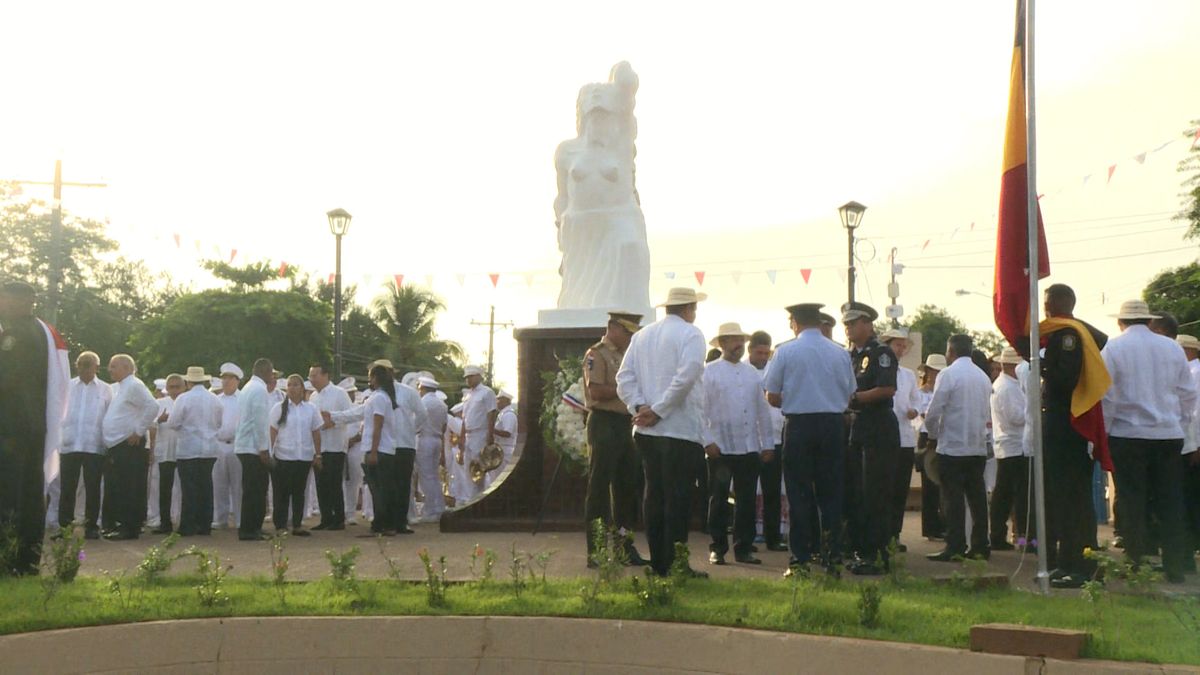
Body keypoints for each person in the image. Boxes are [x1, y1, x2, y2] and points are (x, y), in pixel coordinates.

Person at [616, 287, 709, 578]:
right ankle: (676, 562)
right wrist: (659, 409)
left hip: (646, 431)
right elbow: (687, 376)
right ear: (689, 309)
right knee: (678, 497)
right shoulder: (691, 334)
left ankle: (659, 562)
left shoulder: (642, 336)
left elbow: (624, 378)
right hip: (678, 428)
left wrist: (640, 406)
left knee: (654, 495)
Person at [1101, 300, 1196, 583]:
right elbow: (1188, 394)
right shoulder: (1172, 348)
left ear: (1122, 322)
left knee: (1132, 500)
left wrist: (1103, 434)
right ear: (1149, 321)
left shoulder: (1114, 348)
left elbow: (1108, 397)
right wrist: (1179, 421)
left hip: (1128, 435)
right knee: (1170, 499)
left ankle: (1135, 562)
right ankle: (1175, 565)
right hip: (1167, 434)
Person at [1027, 284, 1109, 589]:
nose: (1045, 308)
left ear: (1062, 303)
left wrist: (1041, 363)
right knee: (1063, 499)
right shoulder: (1066, 333)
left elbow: (1065, 380)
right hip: (1062, 425)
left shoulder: (1068, 336)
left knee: (1072, 499)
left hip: (1067, 426)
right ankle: (1068, 562)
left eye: (1048, 302)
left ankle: (1081, 566)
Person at [765, 303, 857, 573]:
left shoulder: (785, 351)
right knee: (831, 493)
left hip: (799, 425)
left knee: (799, 492)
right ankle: (831, 555)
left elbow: (771, 394)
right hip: (832, 425)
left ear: (794, 322)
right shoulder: (839, 353)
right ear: (818, 322)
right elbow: (851, 392)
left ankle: (800, 557)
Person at [0, 281, 69, 573]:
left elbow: (7, 378)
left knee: (8, 494)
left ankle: (7, 557)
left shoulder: (15, 333)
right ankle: (28, 560)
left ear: (18, 301)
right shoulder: (42, 331)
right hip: (35, 423)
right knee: (31, 493)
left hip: (11, 425)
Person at [702, 322, 775, 566]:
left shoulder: (752, 373)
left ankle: (744, 547)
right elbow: (699, 411)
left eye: (740, 341)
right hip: (720, 446)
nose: (738, 346)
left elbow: (762, 411)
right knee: (719, 498)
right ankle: (718, 547)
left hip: (748, 445)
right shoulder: (709, 372)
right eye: (732, 340)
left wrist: (767, 443)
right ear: (721, 344)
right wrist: (707, 441)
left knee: (746, 500)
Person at [583, 311, 646, 565]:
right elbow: (596, 391)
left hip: (625, 424)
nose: (631, 337)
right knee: (599, 489)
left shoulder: (627, 356)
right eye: (627, 331)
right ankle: (596, 551)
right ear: (612, 328)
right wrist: (628, 390)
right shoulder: (596, 354)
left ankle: (624, 548)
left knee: (627, 489)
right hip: (604, 423)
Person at [842, 302, 900, 575]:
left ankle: (876, 554)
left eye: (853, 323)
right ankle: (860, 548)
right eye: (847, 324)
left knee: (875, 492)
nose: (849, 328)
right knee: (856, 492)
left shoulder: (881, 353)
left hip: (878, 427)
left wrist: (853, 399)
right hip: (857, 428)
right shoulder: (851, 355)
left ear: (867, 323)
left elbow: (887, 389)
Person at [925, 335, 994, 562]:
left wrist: (933, 436)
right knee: (977, 498)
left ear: (950, 351)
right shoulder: (982, 376)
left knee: (952, 500)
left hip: (952, 446)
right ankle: (981, 545)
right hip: (976, 446)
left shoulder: (948, 374)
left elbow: (934, 411)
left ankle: (955, 545)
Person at [100, 354, 160, 541]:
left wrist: (138, 430)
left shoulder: (134, 385)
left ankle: (130, 527)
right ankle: (121, 524)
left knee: (129, 487)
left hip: (128, 444)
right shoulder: (121, 387)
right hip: (118, 445)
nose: (110, 370)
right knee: (120, 486)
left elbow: (152, 405)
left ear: (126, 368)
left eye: (113, 366)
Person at [57, 351, 112, 540]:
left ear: (97, 367)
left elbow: (110, 417)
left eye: (89, 365)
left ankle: (91, 527)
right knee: (67, 488)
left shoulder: (106, 389)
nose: (85, 369)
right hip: (69, 443)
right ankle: (64, 527)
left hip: (94, 444)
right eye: (82, 364)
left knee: (93, 487)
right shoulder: (67, 386)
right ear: (76, 366)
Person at [164, 367, 222, 536]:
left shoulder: (183, 399)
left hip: (188, 448)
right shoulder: (215, 399)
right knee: (206, 486)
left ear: (188, 382)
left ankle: (188, 525)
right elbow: (219, 422)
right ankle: (204, 524)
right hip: (209, 448)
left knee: (189, 488)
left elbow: (173, 423)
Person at [268, 374, 323, 536]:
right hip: (283, 456)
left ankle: (297, 524)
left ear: (302, 388)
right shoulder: (279, 408)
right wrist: (270, 454)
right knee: (281, 492)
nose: (292, 388)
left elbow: (316, 432)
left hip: (303, 456)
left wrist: (318, 454)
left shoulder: (310, 409)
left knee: (299, 492)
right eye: (289, 385)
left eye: (296, 385)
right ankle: (281, 525)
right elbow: (272, 432)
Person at [748, 330, 788, 553]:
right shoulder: (743, 371)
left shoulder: (775, 371)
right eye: (759, 352)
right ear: (750, 350)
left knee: (772, 491)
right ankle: (747, 535)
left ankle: (773, 536)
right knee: (746, 492)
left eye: (766, 352)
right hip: (750, 440)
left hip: (774, 439)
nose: (763, 357)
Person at [989, 347, 1033, 552]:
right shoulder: (1006, 387)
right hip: (1012, 445)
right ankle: (1018, 537)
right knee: (1014, 494)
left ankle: (1005, 535)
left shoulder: (1011, 385)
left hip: (1013, 445)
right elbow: (1015, 418)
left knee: (1007, 493)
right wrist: (1033, 410)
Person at [881, 328, 920, 552]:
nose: (901, 349)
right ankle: (882, 534)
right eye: (897, 344)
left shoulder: (907, 374)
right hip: (886, 437)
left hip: (905, 437)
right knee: (884, 488)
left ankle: (895, 534)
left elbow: (915, 399)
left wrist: (914, 409)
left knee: (900, 489)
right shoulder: (880, 370)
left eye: (904, 345)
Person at [307, 365, 352, 530]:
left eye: (314, 375)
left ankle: (339, 518)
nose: (311, 379)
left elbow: (350, 415)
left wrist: (332, 422)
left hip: (335, 445)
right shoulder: (313, 397)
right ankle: (326, 518)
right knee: (321, 484)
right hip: (319, 447)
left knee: (334, 483)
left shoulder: (339, 393)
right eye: (310, 376)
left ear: (326, 375)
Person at [235, 358, 275, 541]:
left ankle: (252, 526)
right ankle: (250, 529)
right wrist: (263, 449)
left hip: (245, 445)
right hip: (253, 447)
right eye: (271, 372)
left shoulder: (247, 387)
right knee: (256, 490)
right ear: (266, 372)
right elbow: (260, 422)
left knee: (253, 489)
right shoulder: (259, 390)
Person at [359, 365, 399, 535]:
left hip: (379, 449)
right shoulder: (382, 397)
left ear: (375, 378)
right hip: (383, 449)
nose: (369, 380)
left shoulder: (379, 398)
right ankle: (384, 523)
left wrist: (373, 451)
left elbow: (378, 425)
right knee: (381, 489)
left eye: (370, 376)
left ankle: (383, 524)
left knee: (379, 490)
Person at [915, 357, 947, 541]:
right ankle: (930, 526)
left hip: (941, 435)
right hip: (927, 436)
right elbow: (918, 418)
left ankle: (942, 523)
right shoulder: (921, 394)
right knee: (929, 485)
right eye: (933, 371)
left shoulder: (942, 392)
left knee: (942, 484)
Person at [1176, 334, 1200, 572]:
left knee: (1187, 498)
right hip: (1190, 442)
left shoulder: (1194, 374)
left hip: (1189, 444)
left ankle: (1189, 547)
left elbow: (1195, 414)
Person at [149, 374, 183, 534]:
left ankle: (183, 520)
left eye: (178, 386)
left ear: (184, 387)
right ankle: (165, 522)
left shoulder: (186, 401)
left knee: (184, 487)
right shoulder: (159, 403)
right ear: (167, 389)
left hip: (183, 451)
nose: (174, 390)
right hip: (165, 452)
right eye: (172, 387)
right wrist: (160, 419)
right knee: (164, 488)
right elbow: (150, 425)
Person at [457, 366, 496, 501]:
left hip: (480, 433)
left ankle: (478, 500)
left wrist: (490, 435)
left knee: (479, 470)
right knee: (468, 470)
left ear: (479, 376)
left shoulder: (487, 392)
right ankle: (471, 499)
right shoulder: (468, 395)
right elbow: (464, 418)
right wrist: (461, 438)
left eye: (471, 376)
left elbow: (491, 413)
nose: (468, 379)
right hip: (468, 435)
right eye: (467, 377)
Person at [212, 363, 242, 530]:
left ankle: (239, 518)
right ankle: (220, 518)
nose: (226, 381)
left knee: (238, 484)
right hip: (219, 443)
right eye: (224, 378)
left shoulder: (243, 398)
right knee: (219, 484)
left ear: (237, 380)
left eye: (230, 378)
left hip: (237, 444)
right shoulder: (216, 400)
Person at [416, 377, 448, 523]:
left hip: (425, 439)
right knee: (434, 476)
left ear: (422, 388)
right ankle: (439, 507)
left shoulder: (423, 402)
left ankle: (430, 510)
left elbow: (417, 422)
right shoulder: (442, 405)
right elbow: (444, 427)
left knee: (426, 477)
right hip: (437, 439)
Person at [486, 390, 518, 488]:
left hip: (506, 450)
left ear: (505, 401)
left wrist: (491, 430)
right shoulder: (502, 414)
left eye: (498, 400)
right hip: (500, 449)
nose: (497, 402)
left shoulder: (509, 415)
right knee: (495, 477)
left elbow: (507, 433)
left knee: (501, 478)